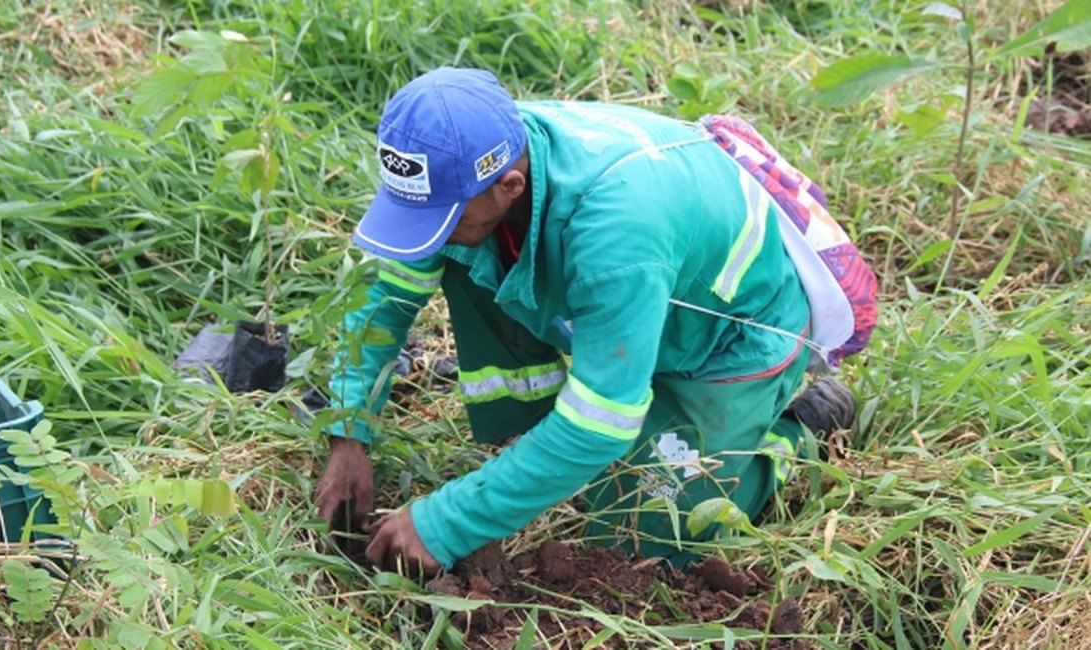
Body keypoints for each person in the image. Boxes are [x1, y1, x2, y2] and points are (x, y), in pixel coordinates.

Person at [315, 67, 870, 574]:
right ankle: (530, 435)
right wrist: (348, 433)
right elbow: (384, 296)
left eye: (440, 217)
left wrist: (446, 521)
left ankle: (796, 435)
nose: (424, 234)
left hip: (733, 335)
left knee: (641, 530)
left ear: (510, 186)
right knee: (464, 252)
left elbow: (603, 419)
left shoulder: (614, 234)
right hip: (639, 301)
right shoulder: (472, 153)